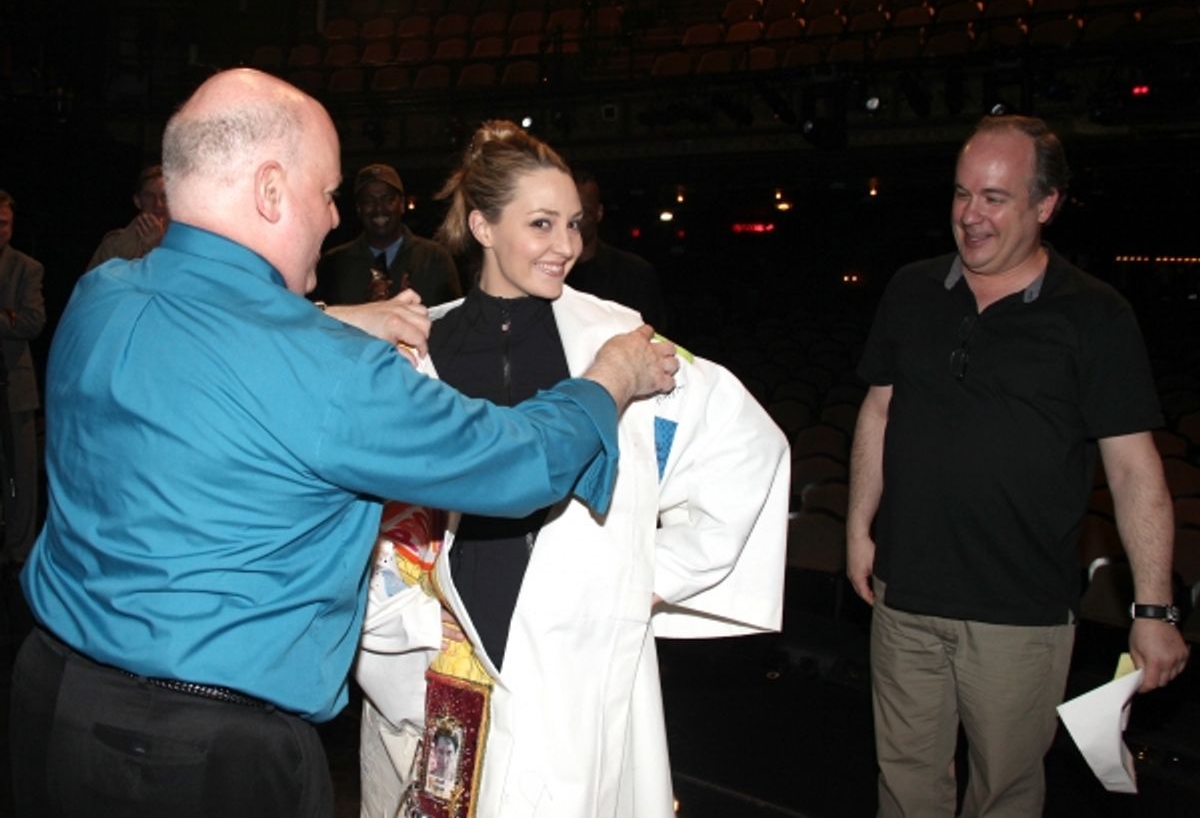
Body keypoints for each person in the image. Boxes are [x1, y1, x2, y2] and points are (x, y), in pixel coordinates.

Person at [11, 68, 678, 818]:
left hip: (46, 704)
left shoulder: (100, 294)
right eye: (326, 193)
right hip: (201, 760)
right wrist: (609, 379)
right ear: (270, 192)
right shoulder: (329, 373)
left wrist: (333, 315)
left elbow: (216, 336)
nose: (335, 220)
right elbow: (517, 461)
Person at [355, 120, 789, 818]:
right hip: (439, 670)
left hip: (575, 676)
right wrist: (409, 624)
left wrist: (647, 577)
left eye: (575, 225)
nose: (568, 246)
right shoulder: (412, 349)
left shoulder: (617, 338)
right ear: (483, 227)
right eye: (543, 223)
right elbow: (360, 509)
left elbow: (747, 449)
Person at [846, 114, 1190, 818]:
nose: (970, 216)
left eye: (995, 198)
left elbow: (1133, 470)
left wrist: (1153, 608)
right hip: (905, 595)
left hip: (1020, 614)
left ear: (1046, 204)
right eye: (962, 194)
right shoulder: (912, 290)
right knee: (905, 784)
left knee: (1003, 796)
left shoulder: (1096, 315)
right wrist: (858, 528)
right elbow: (879, 411)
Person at [315, 162, 462, 306]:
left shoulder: (434, 258)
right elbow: (318, 323)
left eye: (388, 199)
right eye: (369, 201)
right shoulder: (333, 264)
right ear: (359, 209)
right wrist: (366, 311)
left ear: (402, 204)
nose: (379, 208)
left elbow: (457, 321)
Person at [0, 190, 46, 568]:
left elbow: (32, 322)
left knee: (22, 479)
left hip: (15, 389)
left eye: (4, 223)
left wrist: (13, 319)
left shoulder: (26, 267)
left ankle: (20, 557)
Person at [565, 168, 668, 330]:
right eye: (567, 212)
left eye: (584, 212)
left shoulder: (634, 274)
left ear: (599, 213)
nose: (575, 221)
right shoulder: (547, 275)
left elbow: (656, 339)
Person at [85, 164, 170, 271]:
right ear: (138, 201)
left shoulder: (189, 244)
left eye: (165, 196)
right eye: (149, 196)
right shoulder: (113, 245)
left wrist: (157, 248)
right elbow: (93, 285)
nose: (158, 204)